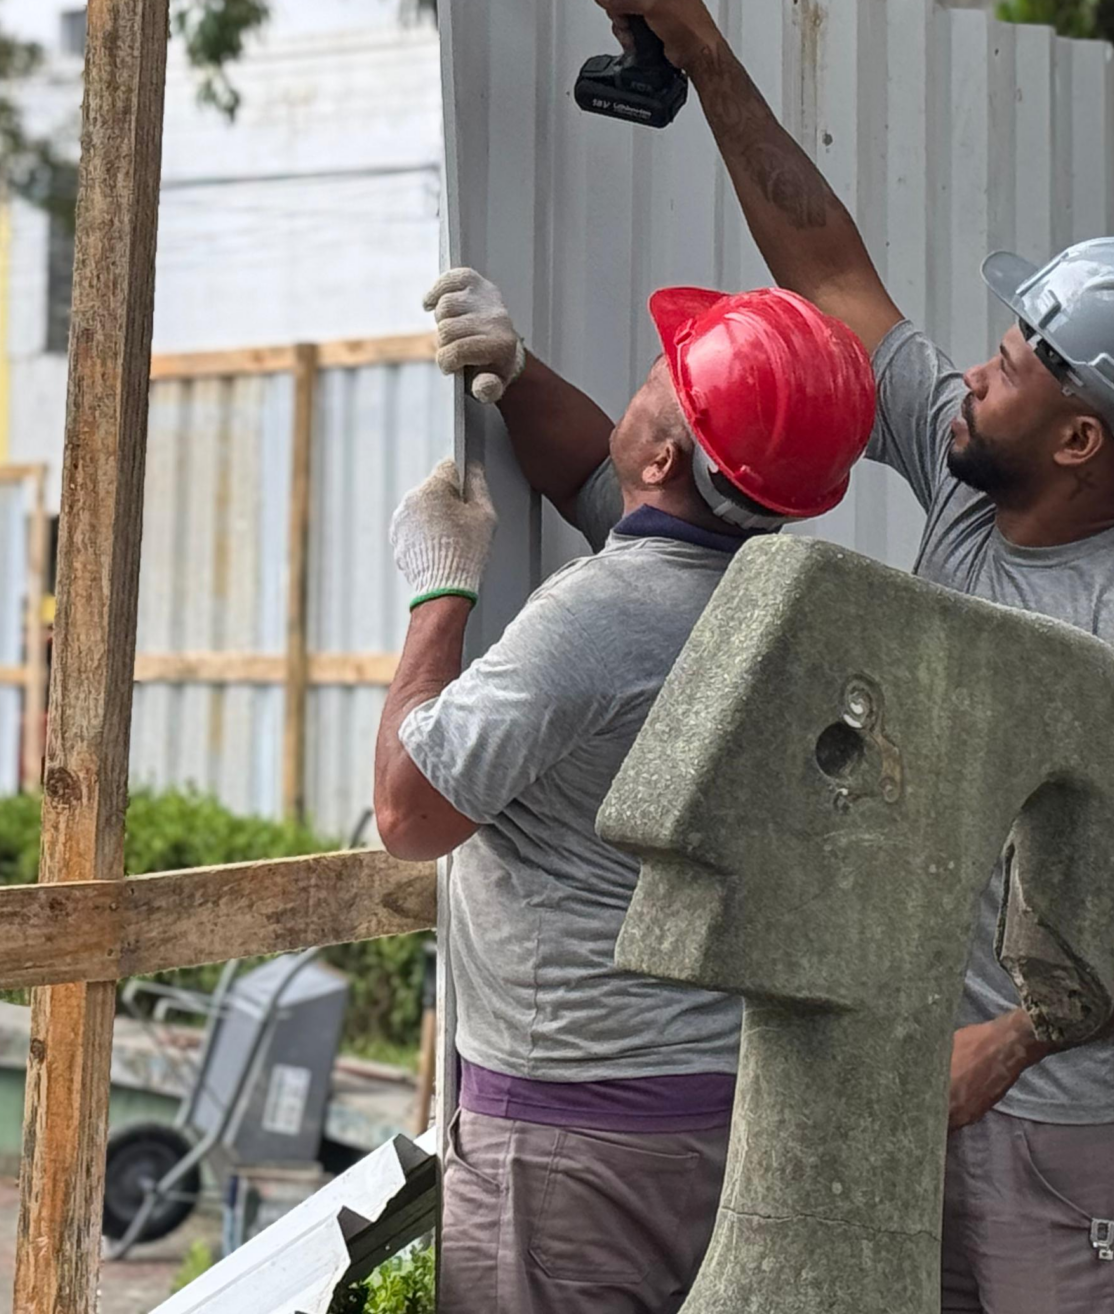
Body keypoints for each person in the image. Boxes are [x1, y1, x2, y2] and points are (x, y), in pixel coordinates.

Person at [586, 0, 1114, 1314]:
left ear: (1084, 439)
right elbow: (832, 273)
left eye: (1016, 359)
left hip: (1089, 1140)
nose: (974, 373)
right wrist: (704, 53)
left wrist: (1021, 1037)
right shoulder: (975, 489)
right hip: (962, 1103)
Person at [373, 275, 877, 1314]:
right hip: (717, 1107)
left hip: (572, 1138)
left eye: (660, 383)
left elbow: (410, 814)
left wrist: (438, 593)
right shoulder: (791, 605)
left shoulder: (598, 620)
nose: (641, 382)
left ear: (664, 458)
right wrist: (514, 378)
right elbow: (621, 496)